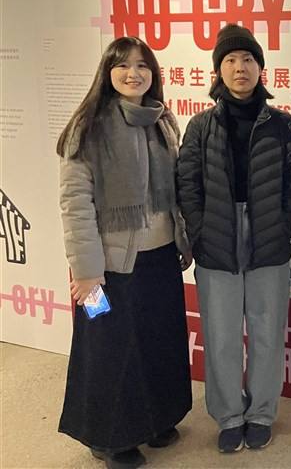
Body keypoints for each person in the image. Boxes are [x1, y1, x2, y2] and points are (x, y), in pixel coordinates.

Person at [56, 36, 193, 469]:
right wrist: (86, 272)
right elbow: (75, 204)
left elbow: (175, 193)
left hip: (159, 258)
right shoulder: (88, 127)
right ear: (108, 72)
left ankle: (155, 420)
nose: (134, 73)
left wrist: (183, 240)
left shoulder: (161, 121)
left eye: (142, 66)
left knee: (157, 341)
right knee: (108, 350)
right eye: (124, 65)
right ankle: (108, 438)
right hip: (107, 267)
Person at [177, 24, 291, 453]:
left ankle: (262, 413)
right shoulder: (200, 126)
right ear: (218, 70)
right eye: (230, 60)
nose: (240, 67)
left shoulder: (282, 125)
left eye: (248, 59)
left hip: (269, 237)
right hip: (217, 237)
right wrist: (200, 232)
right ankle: (230, 415)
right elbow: (187, 184)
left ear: (260, 67)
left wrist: (282, 228)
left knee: (268, 332)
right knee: (221, 335)